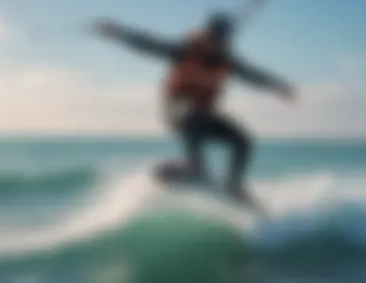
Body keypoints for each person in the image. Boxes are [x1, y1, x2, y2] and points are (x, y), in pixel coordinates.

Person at [92, 12, 295, 197]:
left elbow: (251, 74)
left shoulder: (227, 61)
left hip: (205, 116)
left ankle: (234, 185)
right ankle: (193, 169)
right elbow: (150, 45)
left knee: (242, 140)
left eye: (223, 40)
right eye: (214, 38)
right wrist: (119, 33)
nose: (218, 44)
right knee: (194, 114)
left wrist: (277, 85)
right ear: (207, 35)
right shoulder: (184, 51)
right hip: (179, 113)